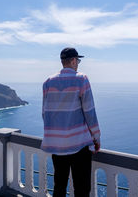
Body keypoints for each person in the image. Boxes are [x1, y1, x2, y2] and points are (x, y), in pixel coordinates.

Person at [41, 47, 101, 197]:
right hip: (78, 144)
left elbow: (45, 113)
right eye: (78, 60)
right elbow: (89, 112)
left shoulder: (48, 82)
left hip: (57, 144)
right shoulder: (81, 79)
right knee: (82, 187)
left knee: (59, 185)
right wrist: (96, 137)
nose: (78, 64)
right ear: (73, 60)